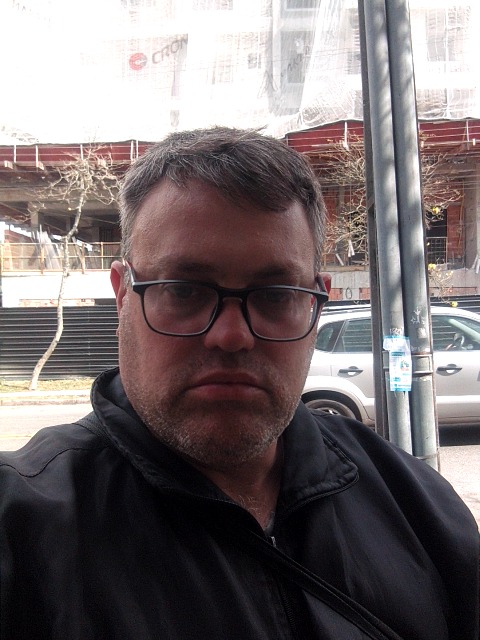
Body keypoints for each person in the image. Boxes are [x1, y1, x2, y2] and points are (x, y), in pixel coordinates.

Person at [0, 127, 478, 640]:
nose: (231, 336)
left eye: (275, 295)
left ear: (315, 305)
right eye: (183, 291)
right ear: (122, 296)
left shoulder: (416, 500)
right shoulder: (21, 526)